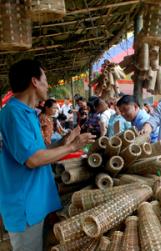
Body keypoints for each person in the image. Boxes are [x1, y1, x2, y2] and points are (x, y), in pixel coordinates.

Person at [0, 59, 95, 251]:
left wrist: (64, 142)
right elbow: (33, 160)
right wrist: (72, 147)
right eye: (45, 80)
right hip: (24, 205)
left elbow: (39, 151)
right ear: (34, 81)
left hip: (35, 201)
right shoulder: (13, 113)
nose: (47, 85)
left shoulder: (27, 113)